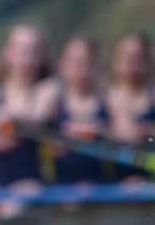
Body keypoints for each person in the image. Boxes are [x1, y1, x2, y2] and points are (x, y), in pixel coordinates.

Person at [0, 23, 53, 188]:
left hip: (35, 179)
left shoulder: (47, 90)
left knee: (19, 195)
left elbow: (39, 117)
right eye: (23, 50)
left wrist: (7, 119)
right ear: (8, 53)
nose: (28, 57)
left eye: (34, 51)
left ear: (42, 57)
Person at [46, 35, 110, 184]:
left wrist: (101, 132)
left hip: (102, 187)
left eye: (86, 62)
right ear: (62, 65)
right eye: (74, 62)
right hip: (59, 188)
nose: (80, 68)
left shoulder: (110, 100)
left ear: (96, 65)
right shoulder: (51, 100)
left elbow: (127, 136)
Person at [106, 32, 153, 180]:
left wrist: (148, 133)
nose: (131, 62)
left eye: (137, 56)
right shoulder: (103, 99)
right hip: (110, 185)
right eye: (126, 55)